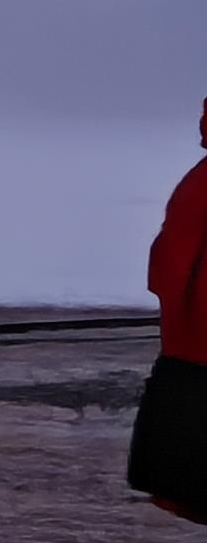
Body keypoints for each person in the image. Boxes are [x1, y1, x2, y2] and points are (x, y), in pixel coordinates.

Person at [134, 100, 207, 519]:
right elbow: (171, 263)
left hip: (195, 343)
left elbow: (168, 263)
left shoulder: (199, 183)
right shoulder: (201, 184)